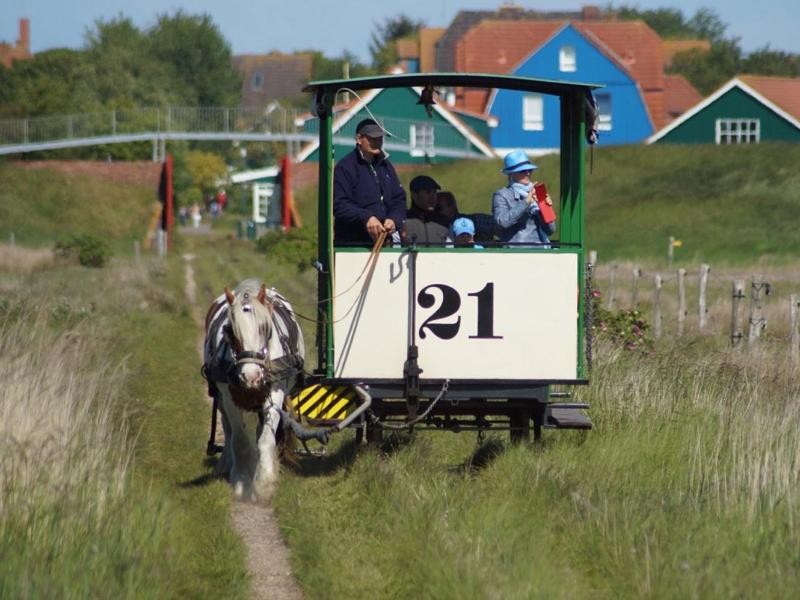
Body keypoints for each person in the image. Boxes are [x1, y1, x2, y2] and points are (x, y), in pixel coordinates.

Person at [333, 118, 406, 246]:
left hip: (385, 242)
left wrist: (394, 219)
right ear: (359, 139)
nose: (377, 142)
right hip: (352, 244)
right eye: (372, 138)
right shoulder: (345, 167)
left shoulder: (386, 166)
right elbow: (339, 205)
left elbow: (399, 199)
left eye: (380, 138)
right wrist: (367, 217)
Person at [492, 150, 556, 247]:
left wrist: (545, 208)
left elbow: (551, 230)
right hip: (515, 252)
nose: (528, 173)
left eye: (530, 170)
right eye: (522, 171)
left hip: (540, 251)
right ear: (511, 174)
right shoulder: (501, 195)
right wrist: (526, 202)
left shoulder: (538, 192)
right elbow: (502, 222)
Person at [403, 175, 450, 246]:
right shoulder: (403, 220)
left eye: (434, 192)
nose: (433, 197)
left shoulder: (445, 222)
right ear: (414, 195)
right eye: (428, 192)